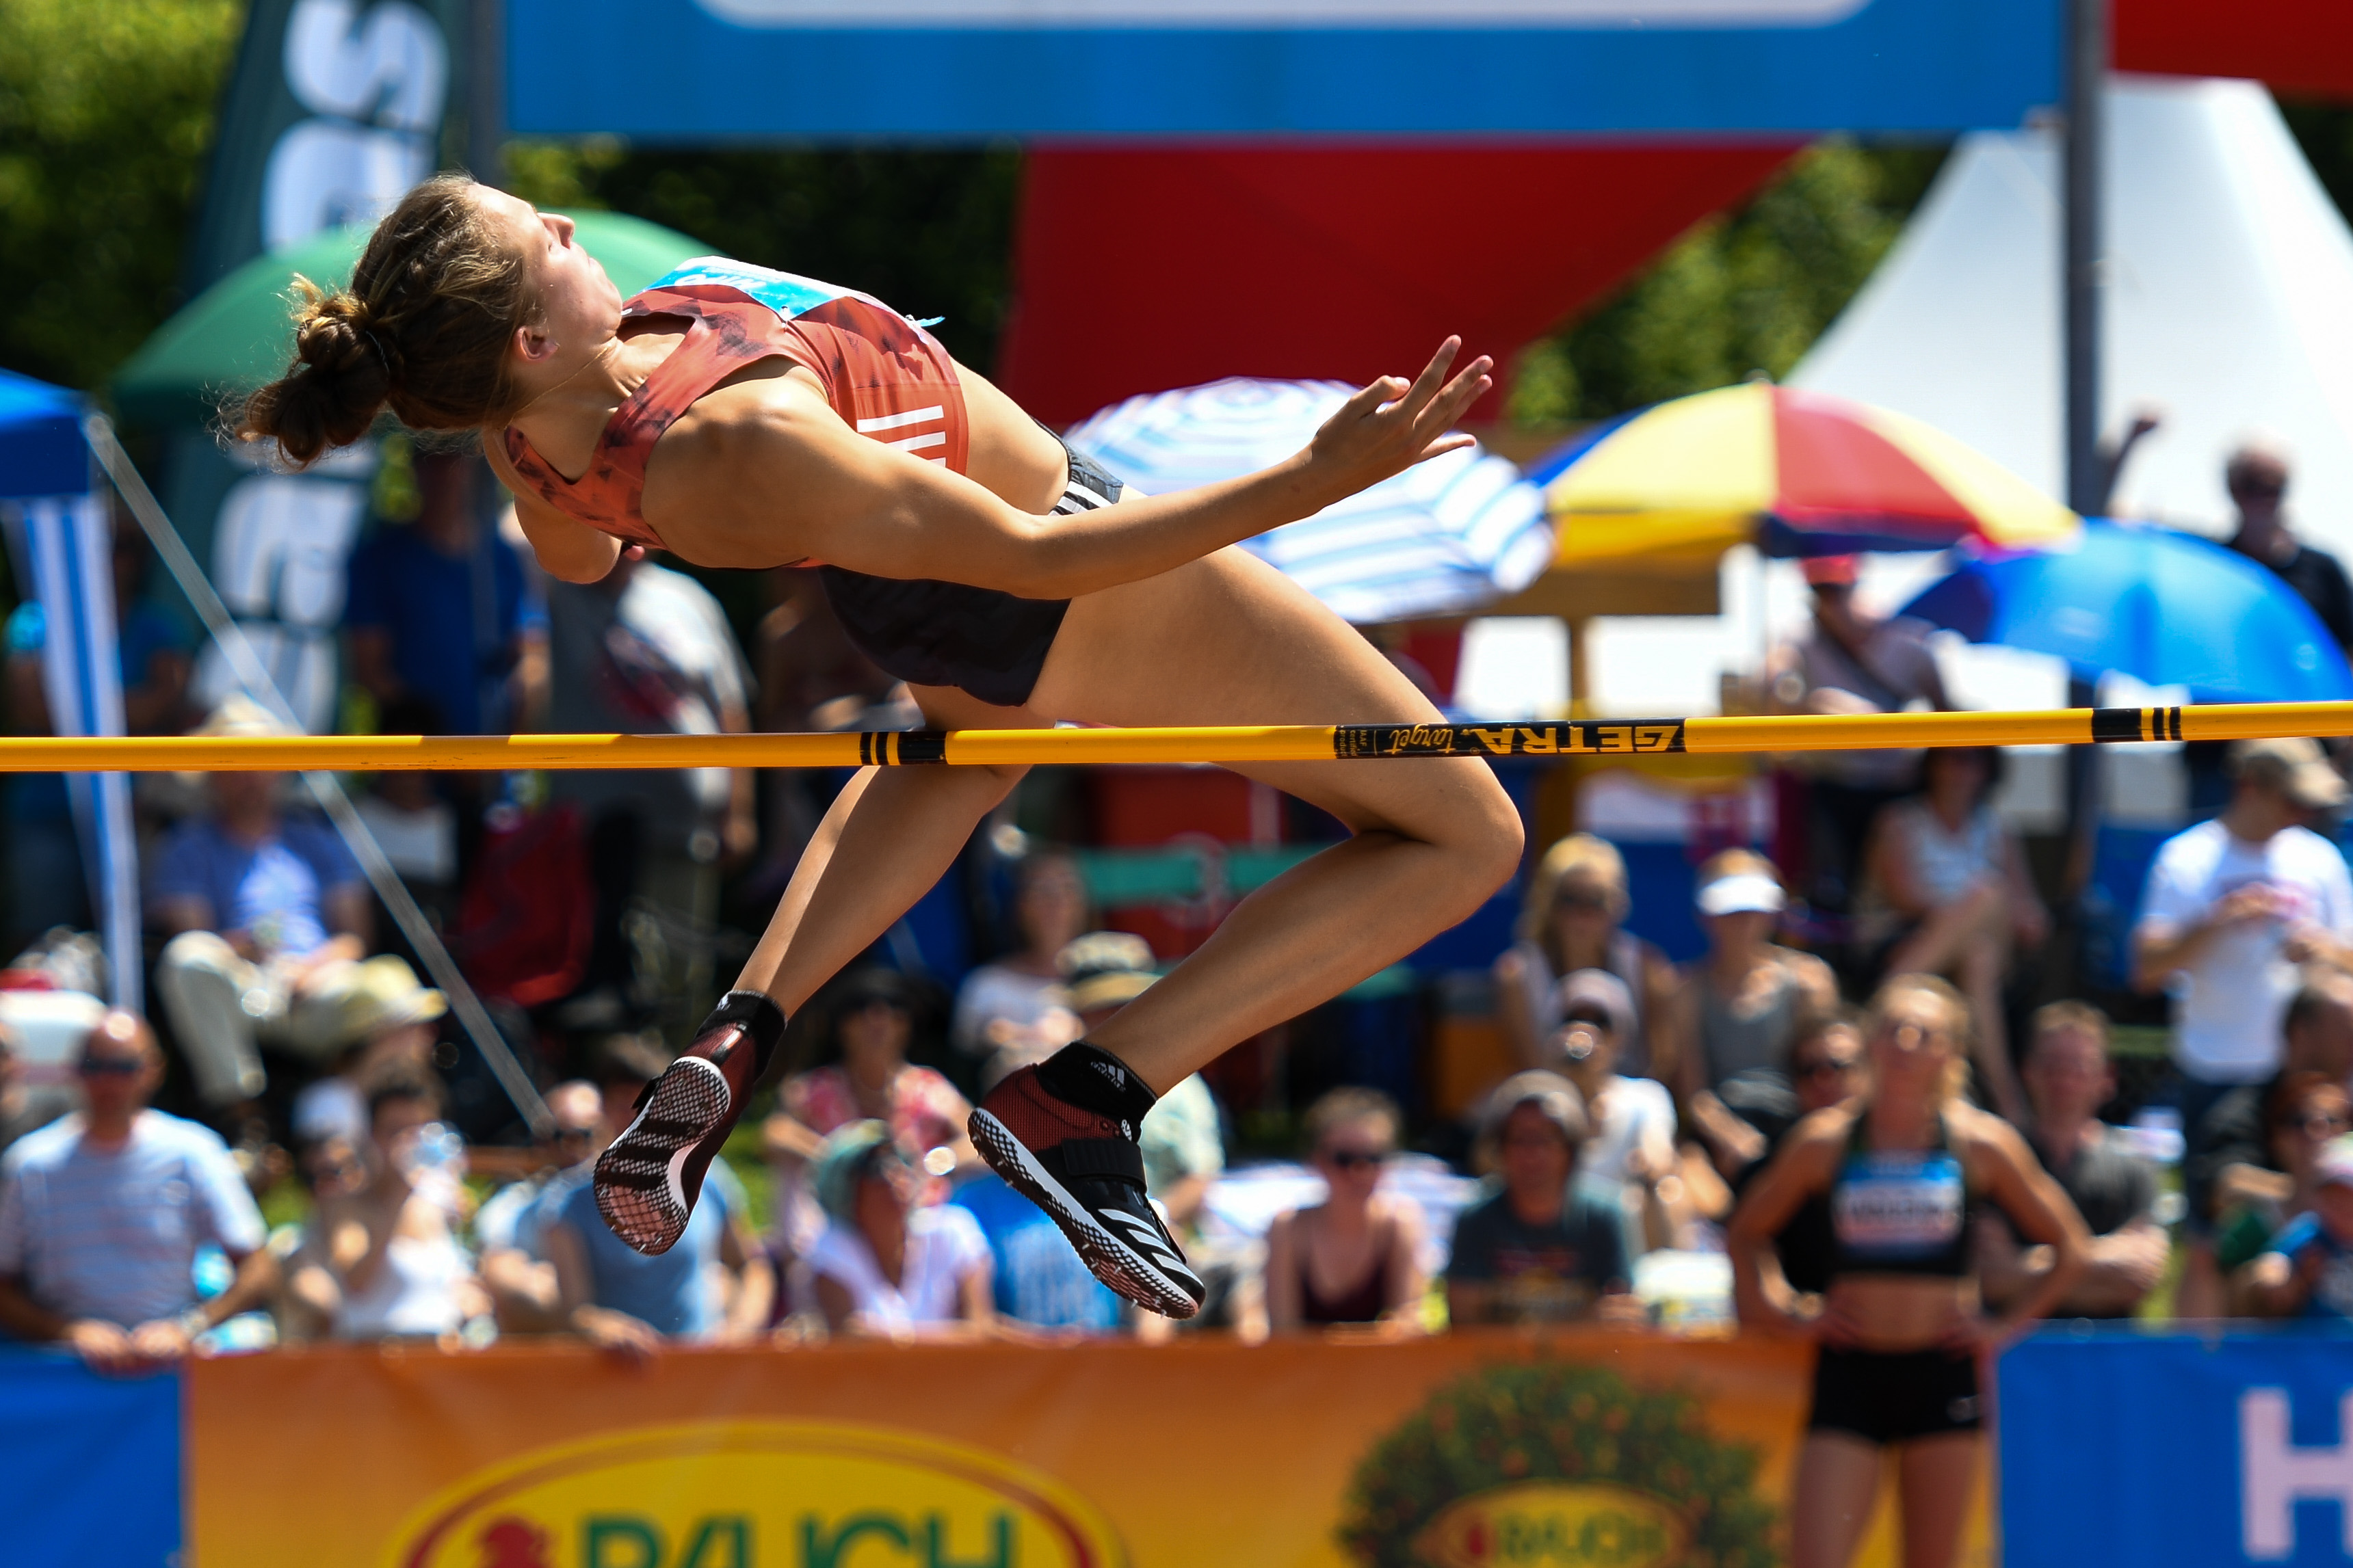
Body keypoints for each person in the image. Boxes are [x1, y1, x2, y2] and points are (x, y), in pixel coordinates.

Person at [234, 175, 1516, 1316]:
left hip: (911, 587)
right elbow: (1036, 559)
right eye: (545, 239)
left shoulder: (527, 440)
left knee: (972, 757)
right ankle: (1093, 1093)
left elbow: (574, 556)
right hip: (1044, 565)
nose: (568, 225)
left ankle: (746, 1024)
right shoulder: (746, 441)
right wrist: (1318, 476)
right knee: (1465, 832)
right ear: (530, 340)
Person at [1727, 976, 2086, 1568]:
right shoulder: (1826, 1141)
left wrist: (2002, 1327)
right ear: (1870, 1041)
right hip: (1851, 1370)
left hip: (1941, 1373)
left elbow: (2069, 1246)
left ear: (1950, 1052)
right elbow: (1746, 1232)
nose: (1906, 1044)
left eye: (1924, 1033)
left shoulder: (1980, 1143)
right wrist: (1782, 1309)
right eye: (1894, 1029)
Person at [2135, 741, 2353, 1316]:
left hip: (2311, 1081)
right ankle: (2197, 1361)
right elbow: (2146, 967)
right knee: (2208, 1238)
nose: (2301, 813)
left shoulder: (2319, 860)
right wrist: (2216, 923)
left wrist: (2326, 950)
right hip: (2218, 1069)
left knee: (2328, 1228)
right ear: (2249, 788)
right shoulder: (2188, 858)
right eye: (2291, 799)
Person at [544, 553, 757, 1032]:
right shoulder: (556, 588)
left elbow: (731, 708)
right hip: (587, 836)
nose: (628, 546)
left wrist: (739, 812)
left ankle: (680, 1072)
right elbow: (516, 526)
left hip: (683, 833)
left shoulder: (688, 598)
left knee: (679, 980)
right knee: (596, 987)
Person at [0, 1011, 277, 1370]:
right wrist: (67, 1331)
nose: (109, 1082)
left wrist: (188, 1328)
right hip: (61, 1372)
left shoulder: (193, 1151)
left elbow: (258, 1267)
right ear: (75, 1071)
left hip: (170, 1371)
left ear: (153, 1071)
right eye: (95, 1066)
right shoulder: (31, 1164)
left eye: (124, 1067)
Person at [148, 696, 375, 1106]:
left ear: (279, 769)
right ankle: (239, 1110)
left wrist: (310, 970)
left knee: (390, 992)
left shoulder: (319, 841)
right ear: (211, 775)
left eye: (259, 760)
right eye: (234, 763)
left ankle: (355, 1116)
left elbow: (354, 939)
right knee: (188, 960)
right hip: (242, 984)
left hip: (320, 983)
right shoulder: (186, 847)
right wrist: (246, 950)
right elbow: (194, 938)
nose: (249, 776)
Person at [2, 511, 194, 951]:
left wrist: (74, 710)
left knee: (131, 943)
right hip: (48, 809)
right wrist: (131, 709)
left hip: (133, 810)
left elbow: (171, 700)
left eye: (125, 547)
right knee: (39, 941)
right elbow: (29, 706)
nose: (114, 558)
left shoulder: (156, 624)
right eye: (102, 545)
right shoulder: (35, 621)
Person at [538, 1039, 772, 1357]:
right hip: (621, 1373)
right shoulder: (567, 1203)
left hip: (702, 1367)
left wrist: (740, 1329)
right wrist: (605, 1328)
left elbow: (752, 1267)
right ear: (602, 1109)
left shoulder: (708, 1179)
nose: (638, 1117)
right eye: (625, 1103)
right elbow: (575, 1310)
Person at [1856, 747, 2045, 1122]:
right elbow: (1903, 897)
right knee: (1978, 956)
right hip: (1904, 936)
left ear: (1988, 770)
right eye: (1953, 756)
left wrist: (2004, 915)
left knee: (1988, 904)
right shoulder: (1899, 821)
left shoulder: (1998, 828)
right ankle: (2007, 1101)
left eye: (1974, 759)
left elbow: (2031, 913)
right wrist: (1965, 912)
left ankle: (1885, 999)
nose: (1963, 769)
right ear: (1932, 764)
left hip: (1956, 946)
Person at [1765, 555, 1951, 914]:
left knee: (1899, 892)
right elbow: (1775, 682)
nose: (1828, 600)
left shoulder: (1906, 637)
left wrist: (1901, 743)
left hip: (1898, 788)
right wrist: (1806, 703)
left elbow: (1946, 714)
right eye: (1820, 590)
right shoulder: (1801, 638)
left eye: (1836, 589)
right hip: (1832, 786)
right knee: (1833, 892)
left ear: (1855, 585)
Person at [1977, 1003, 2165, 1321]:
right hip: (2016, 1344)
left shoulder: (2134, 1166)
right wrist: (2100, 1265)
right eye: (2052, 1064)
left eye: (2078, 1065)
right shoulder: (1999, 1157)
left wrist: (2031, 1268)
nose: (2064, 1077)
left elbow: (2139, 1276)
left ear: (2106, 1077)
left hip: (2109, 1346)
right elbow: (1993, 1278)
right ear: (2028, 1071)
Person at [344, 449, 544, 737]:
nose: (444, 475)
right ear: (414, 467)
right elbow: (368, 668)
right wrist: (428, 728)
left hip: (493, 749)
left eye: (454, 459)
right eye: (431, 460)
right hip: (412, 752)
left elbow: (531, 655)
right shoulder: (380, 559)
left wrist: (511, 738)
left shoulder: (503, 559)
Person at [283, 1075, 489, 1341]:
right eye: (395, 1132)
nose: (409, 1144)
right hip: (373, 1350)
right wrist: (399, 1195)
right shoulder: (344, 1205)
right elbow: (356, 1281)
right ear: (370, 1136)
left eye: (419, 1132)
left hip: (439, 1350)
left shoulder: (433, 1205)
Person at [1673, 850, 1839, 1175]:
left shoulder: (1809, 982)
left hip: (1796, 1129)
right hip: (1718, 1140)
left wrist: (1799, 1145)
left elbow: (1825, 1078)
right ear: (1706, 917)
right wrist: (1730, 1138)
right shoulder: (1686, 992)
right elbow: (1693, 1094)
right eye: (1731, 911)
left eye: (1752, 909)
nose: (1743, 922)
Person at [1446, 1071, 1640, 1327]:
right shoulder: (1476, 1220)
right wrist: (1579, 1323)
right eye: (1520, 1140)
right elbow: (1463, 1321)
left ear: (1571, 1149)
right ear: (1500, 1149)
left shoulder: (1604, 1216)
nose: (1533, 1154)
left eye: (1546, 1139)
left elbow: (1621, 1316)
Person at [1494, 834, 1677, 1080]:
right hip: (1553, 1095)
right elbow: (1531, 1066)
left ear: (1617, 905)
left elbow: (1662, 1062)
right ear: (1548, 903)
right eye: (1570, 899)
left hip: (1628, 1093)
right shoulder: (1517, 973)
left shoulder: (1647, 965)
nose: (1582, 914)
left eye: (1596, 900)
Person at [776, 967, 975, 1175]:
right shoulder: (816, 1088)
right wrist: (839, 1161)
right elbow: (777, 1133)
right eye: (862, 1012)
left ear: (906, 1026)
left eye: (894, 1013)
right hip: (836, 1193)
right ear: (842, 1026)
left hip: (917, 1192)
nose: (878, 1022)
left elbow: (978, 1140)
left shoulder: (928, 1088)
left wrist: (930, 1165)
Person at [805, 1121, 993, 1336]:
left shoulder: (955, 1230)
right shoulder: (830, 1247)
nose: (894, 1174)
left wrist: (890, 1339)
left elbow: (980, 1331)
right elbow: (848, 1337)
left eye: (901, 1161)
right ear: (845, 1188)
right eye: (876, 1167)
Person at [1547, 970, 1688, 1253]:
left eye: (1600, 1023)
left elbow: (1658, 1161)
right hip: (1554, 1221)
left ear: (1619, 1036)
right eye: (1572, 1020)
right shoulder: (1538, 1101)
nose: (1585, 1033)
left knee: (1666, 1192)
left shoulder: (1646, 1096)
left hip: (1624, 1225)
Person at [1265, 1088, 1427, 1332]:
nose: (1359, 1172)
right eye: (1344, 1159)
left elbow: (1408, 1324)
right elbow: (1283, 1332)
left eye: (1373, 1158)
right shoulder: (1288, 1229)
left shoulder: (1399, 1224)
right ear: (1318, 1161)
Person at [474, 1078, 605, 1333]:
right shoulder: (509, 1208)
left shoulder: (635, 1206)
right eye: (553, 1135)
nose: (566, 1148)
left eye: (580, 1136)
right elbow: (504, 1281)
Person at [2219, 1075, 2352, 1312]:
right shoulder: (2279, 1227)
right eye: (2299, 1121)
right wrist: (2270, 1280)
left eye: (2333, 1120)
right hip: (2306, 1332)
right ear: (2276, 1137)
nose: (2318, 1132)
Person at [951, 851, 1090, 1074]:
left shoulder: (1106, 978)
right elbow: (967, 1046)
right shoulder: (986, 983)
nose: (1055, 901)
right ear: (1019, 905)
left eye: (1067, 888)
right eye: (1041, 890)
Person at [2241, 1135, 2353, 1320]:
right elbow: (2274, 1260)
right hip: (2314, 1332)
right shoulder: (2313, 1233)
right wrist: (2274, 1276)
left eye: (2349, 1200)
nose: (2343, 1209)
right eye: (2334, 1200)